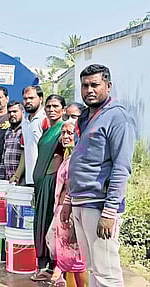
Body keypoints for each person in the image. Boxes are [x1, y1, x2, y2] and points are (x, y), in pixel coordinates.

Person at [62, 64, 136, 287]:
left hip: (99, 205)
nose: (89, 90)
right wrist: (69, 200)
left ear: (108, 86)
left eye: (95, 84)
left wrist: (110, 211)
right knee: (93, 267)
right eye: (85, 85)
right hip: (80, 201)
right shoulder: (85, 117)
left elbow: (121, 167)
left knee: (107, 273)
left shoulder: (118, 118)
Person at [46, 119, 86, 287]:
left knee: (77, 260)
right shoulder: (67, 157)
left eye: (70, 133)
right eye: (63, 133)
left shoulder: (78, 159)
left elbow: (72, 189)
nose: (65, 136)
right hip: (62, 212)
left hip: (70, 213)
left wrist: (72, 221)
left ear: (79, 135)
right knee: (68, 259)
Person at [31, 94, 66, 281]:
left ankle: (55, 269)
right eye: (49, 106)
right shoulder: (47, 130)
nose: (51, 109)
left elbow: (67, 155)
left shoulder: (63, 130)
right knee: (41, 225)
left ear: (63, 109)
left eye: (56, 106)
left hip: (52, 183)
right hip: (41, 184)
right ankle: (45, 267)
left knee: (51, 226)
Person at [13, 85, 48, 185]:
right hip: (29, 178)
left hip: (43, 177)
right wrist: (17, 176)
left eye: (31, 98)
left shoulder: (45, 119)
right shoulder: (25, 122)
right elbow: (25, 150)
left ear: (40, 99)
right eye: (25, 98)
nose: (28, 101)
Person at [0, 100, 24, 182]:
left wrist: (17, 175)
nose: (12, 114)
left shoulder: (26, 130)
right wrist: (1, 177)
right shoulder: (8, 132)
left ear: (22, 112)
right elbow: (4, 156)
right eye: (9, 112)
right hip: (8, 179)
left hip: (22, 179)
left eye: (15, 111)